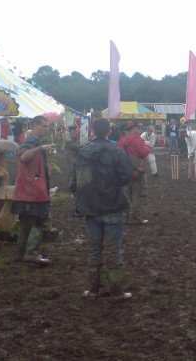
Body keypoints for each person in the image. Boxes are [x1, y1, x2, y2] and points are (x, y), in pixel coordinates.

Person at [74, 118, 135, 299]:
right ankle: (116, 290)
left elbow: (75, 180)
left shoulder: (83, 152)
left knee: (94, 249)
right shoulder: (116, 151)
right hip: (112, 205)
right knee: (114, 250)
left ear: (92, 130)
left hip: (91, 208)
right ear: (109, 131)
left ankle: (93, 289)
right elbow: (126, 175)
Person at [11, 116, 56, 265]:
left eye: (47, 126)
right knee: (42, 221)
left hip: (27, 190)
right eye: (44, 126)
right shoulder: (30, 142)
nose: (46, 129)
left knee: (26, 224)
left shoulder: (32, 141)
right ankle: (31, 253)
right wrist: (40, 149)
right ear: (35, 125)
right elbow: (23, 157)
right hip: (32, 191)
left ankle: (19, 254)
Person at [119, 121, 151, 224]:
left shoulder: (122, 139)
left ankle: (124, 218)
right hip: (137, 171)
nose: (140, 128)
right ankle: (137, 216)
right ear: (133, 129)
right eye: (139, 127)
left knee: (125, 194)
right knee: (137, 195)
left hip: (124, 171)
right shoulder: (138, 140)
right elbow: (143, 153)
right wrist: (148, 147)